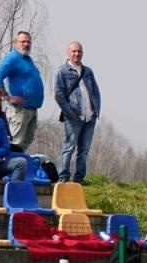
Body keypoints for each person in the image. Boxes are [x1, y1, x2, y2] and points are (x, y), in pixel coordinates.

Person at [53, 41, 101, 184]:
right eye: (74, 51)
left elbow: (96, 91)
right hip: (73, 116)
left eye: (79, 51)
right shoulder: (62, 71)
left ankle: (79, 178)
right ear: (68, 53)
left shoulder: (88, 72)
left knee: (84, 149)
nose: (77, 54)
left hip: (89, 116)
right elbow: (58, 95)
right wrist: (69, 113)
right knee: (69, 147)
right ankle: (63, 177)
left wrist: (97, 109)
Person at [0, 31, 44, 151]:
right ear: (16, 43)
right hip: (19, 111)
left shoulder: (27, 59)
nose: (26, 44)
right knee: (15, 144)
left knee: (24, 144)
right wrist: (7, 97)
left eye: (28, 41)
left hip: (31, 109)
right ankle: (10, 167)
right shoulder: (13, 57)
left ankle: (20, 167)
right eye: (23, 41)